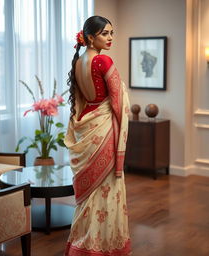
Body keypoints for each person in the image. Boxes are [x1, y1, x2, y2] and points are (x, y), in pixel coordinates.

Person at [64, 15, 131, 256]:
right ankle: (102, 246)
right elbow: (117, 101)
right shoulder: (102, 60)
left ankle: (82, 245)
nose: (111, 38)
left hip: (87, 128)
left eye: (112, 32)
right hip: (103, 129)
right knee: (106, 188)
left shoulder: (78, 61)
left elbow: (85, 99)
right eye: (105, 33)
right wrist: (122, 131)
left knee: (90, 195)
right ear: (91, 38)